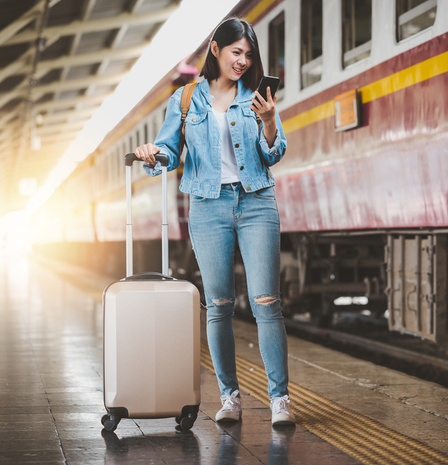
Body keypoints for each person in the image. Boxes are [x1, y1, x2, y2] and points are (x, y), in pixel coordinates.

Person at [132, 17, 294, 426]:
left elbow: (273, 154)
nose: (243, 61)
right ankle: (230, 398)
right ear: (216, 50)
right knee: (219, 306)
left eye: (249, 55)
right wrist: (154, 153)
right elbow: (170, 151)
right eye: (236, 52)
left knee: (266, 304)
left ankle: (280, 401)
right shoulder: (186, 100)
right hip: (208, 206)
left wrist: (271, 120)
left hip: (257, 200)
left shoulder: (257, 96)